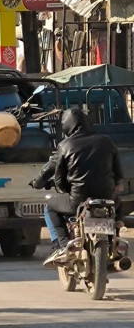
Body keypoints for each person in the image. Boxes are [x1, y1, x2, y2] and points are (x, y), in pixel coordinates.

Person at [47, 108, 124, 261]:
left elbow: (59, 180)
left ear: (67, 125)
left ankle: (62, 246)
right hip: (108, 198)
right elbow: (119, 174)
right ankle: (115, 241)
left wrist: (66, 191)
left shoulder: (65, 145)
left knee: (49, 207)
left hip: (78, 201)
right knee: (118, 203)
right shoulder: (106, 141)